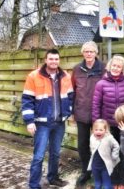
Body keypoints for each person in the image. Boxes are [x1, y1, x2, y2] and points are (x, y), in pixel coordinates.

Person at [22, 49, 73, 189]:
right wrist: (29, 121)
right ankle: (33, 185)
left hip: (59, 123)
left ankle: (52, 178)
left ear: (59, 60)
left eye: (56, 59)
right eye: (51, 59)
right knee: (38, 156)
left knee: (55, 153)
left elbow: (70, 97)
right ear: (45, 60)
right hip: (42, 123)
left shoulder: (65, 76)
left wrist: (69, 112)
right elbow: (27, 100)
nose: (54, 61)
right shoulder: (34, 76)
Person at [92, 54, 124, 189]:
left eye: (119, 66)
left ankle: (121, 182)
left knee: (123, 154)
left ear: (122, 69)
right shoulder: (101, 84)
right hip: (108, 126)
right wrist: (97, 124)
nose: (116, 68)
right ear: (110, 66)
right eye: (114, 65)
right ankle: (112, 181)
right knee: (110, 154)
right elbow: (96, 105)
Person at [71, 41, 106, 186]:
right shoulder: (76, 69)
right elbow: (72, 91)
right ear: (82, 53)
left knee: (102, 144)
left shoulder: (104, 68)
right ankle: (86, 171)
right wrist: (73, 111)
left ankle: (102, 171)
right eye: (86, 51)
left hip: (99, 113)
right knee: (82, 145)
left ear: (96, 53)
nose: (89, 54)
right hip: (81, 112)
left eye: (91, 51)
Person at [87, 119, 120, 189]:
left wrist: (114, 155)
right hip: (95, 166)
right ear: (93, 130)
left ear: (105, 130)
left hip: (105, 167)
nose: (98, 132)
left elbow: (116, 146)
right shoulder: (92, 137)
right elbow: (91, 147)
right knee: (97, 183)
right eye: (96, 130)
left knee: (106, 185)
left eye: (101, 130)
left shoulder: (109, 138)